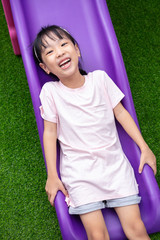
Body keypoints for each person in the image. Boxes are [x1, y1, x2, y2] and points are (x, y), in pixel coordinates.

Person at [33, 25, 157, 240]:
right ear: (45, 68)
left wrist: (144, 147)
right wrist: (52, 175)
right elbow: (49, 133)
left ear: (77, 50)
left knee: (136, 229)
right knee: (97, 235)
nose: (60, 52)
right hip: (80, 174)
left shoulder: (99, 79)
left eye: (63, 44)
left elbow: (122, 114)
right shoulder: (51, 92)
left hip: (115, 168)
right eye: (50, 51)